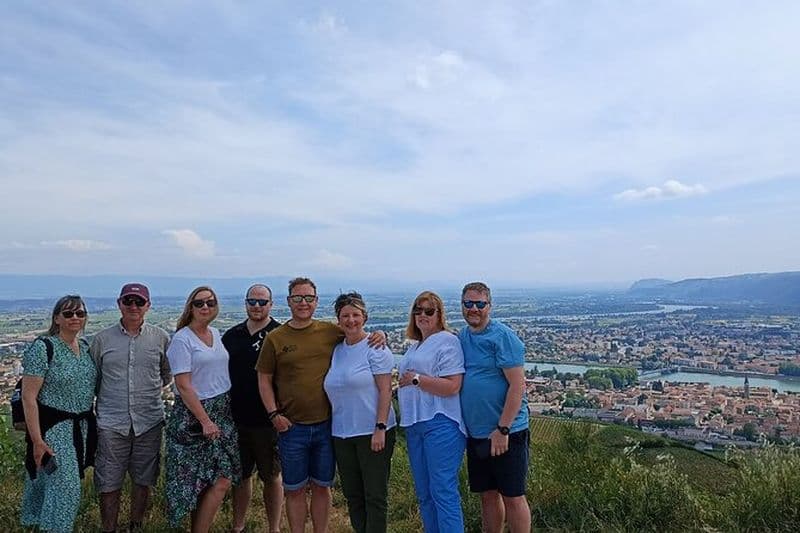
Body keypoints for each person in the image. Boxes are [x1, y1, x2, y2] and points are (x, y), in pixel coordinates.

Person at [256, 277, 385, 533]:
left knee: (322, 487)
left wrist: (379, 334)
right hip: (291, 427)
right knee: (294, 490)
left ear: (316, 302)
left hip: (327, 426)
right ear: (289, 301)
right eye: (297, 298)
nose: (303, 303)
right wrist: (273, 414)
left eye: (309, 298)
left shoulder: (330, 331)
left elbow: (357, 334)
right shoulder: (276, 338)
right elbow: (264, 378)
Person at [91, 283, 171, 533]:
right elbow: (94, 378)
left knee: (144, 479)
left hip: (149, 420)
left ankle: (136, 527)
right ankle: (110, 529)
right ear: (119, 304)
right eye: (129, 301)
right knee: (108, 481)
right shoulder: (102, 339)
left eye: (139, 302)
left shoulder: (161, 338)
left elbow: (166, 375)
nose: (134, 306)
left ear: (148, 305)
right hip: (111, 423)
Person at [164, 286, 241, 532]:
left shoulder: (216, 333)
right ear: (190, 307)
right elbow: (184, 386)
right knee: (208, 480)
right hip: (194, 417)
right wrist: (205, 421)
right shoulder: (182, 339)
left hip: (222, 411)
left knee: (219, 478)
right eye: (199, 303)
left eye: (210, 302)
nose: (205, 307)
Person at [20, 295, 98, 532]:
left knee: (54, 486)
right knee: (67, 488)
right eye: (68, 313)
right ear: (57, 318)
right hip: (54, 428)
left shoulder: (84, 348)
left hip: (81, 429)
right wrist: (37, 441)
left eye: (80, 313)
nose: (75, 317)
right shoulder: (43, 348)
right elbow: (28, 396)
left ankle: (46, 526)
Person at [459, 282, 531, 533]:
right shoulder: (462, 337)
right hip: (477, 432)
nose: (474, 309)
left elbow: (517, 386)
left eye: (480, 304)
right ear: (462, 306)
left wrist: (503, 429)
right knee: (487, 494)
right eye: (469, 303)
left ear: (490, 306)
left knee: (513, 495)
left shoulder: (503, 337)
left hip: (506, 431)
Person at [323, 292, 396, 533]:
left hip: (373, 431)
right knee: (353, 496)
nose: (351, 320)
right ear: (338, 320)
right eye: (345, 315)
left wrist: (380, 427)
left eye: (356, 315)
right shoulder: (336, 350)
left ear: (364, 317)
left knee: (374, 496)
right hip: (342, 433)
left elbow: (386, 391)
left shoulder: (376, 348)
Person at [397, 291, 466, 533]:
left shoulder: (448, 341)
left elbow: (452, 386)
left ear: (439, 315)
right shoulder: (416, 345)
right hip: (415, 424)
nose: (422, 315)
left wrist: (416, 379)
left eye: (429, 311)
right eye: (418, 310)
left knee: (443, 491)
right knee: (425, 493)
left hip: (440, 423)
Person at [222, 284, 283, 533]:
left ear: (271, 304)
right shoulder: (232, 335)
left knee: (271, 476)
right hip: (236, 417)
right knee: (241, 476)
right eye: (252, 301)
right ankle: (238, 527)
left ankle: (274, 528)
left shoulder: (280, 334)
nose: (257, 306)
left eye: (262, 302)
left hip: (268, 419)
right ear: (245, 303)